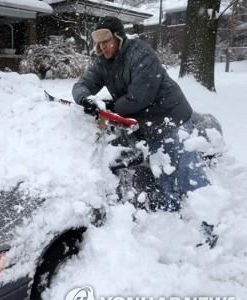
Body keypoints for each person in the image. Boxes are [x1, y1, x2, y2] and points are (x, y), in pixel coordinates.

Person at [72, 16, 209, 212]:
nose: (103, 47)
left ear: (119, 38)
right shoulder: (103, 62)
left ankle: (210, 221)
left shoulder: (140, 54)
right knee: (164, 171)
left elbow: (139, 97)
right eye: (99, 43)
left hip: (171, 118)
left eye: (107, 41)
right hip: (148, 124)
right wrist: (86, 99)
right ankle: (174, 215)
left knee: (188, 173)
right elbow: (82, 84)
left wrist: (110, 108)